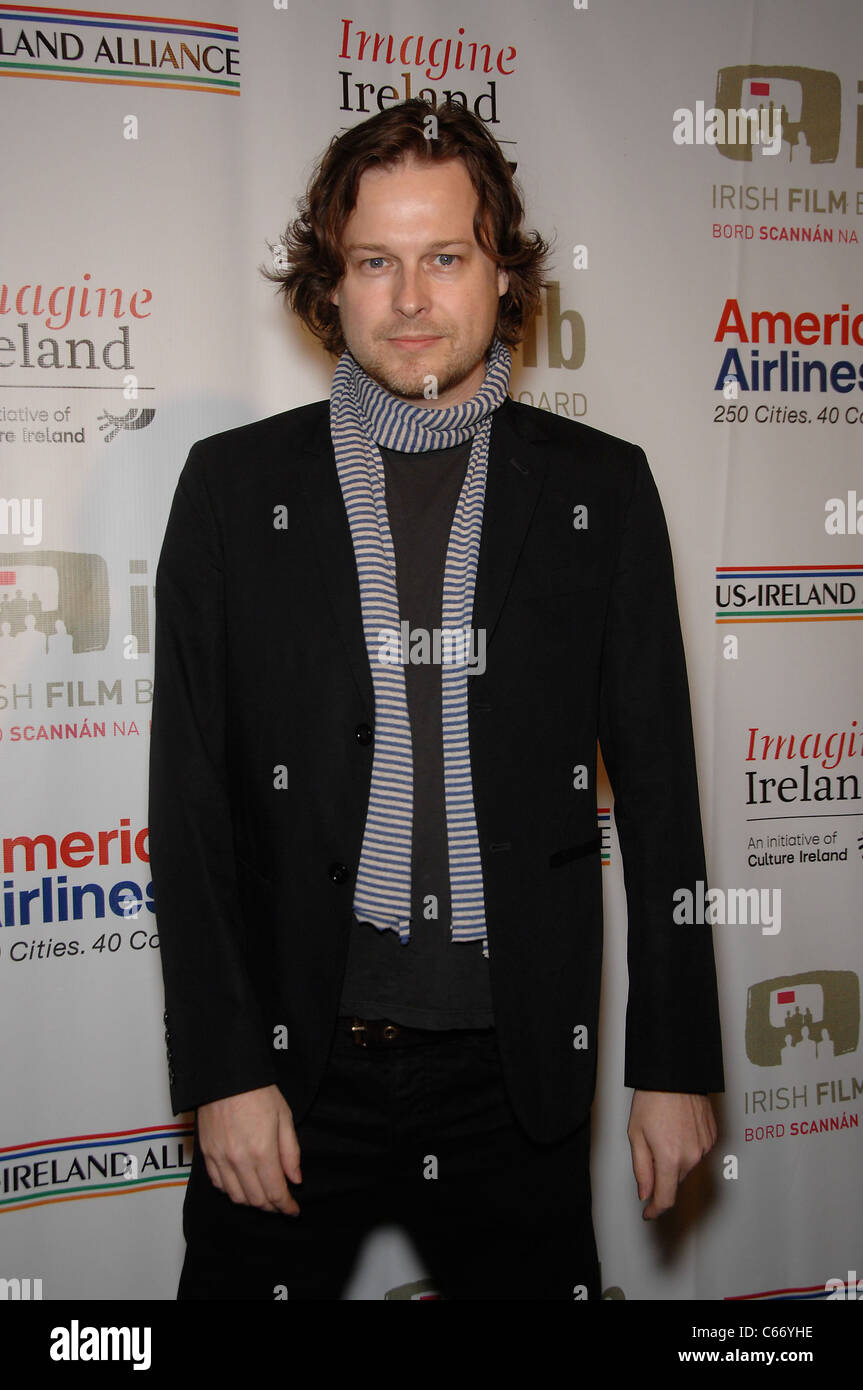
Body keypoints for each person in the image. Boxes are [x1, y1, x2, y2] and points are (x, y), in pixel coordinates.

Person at [149, 97, 723, 1301]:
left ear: (501, 274)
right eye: (375, 262)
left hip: (514, 1074)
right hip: (289, 1071)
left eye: (444, 257)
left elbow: (663, 797)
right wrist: (221, 1069)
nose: (410, 299)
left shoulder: (600, 492)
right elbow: (192, 804)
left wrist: (675, 1062)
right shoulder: (230, 488)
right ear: (333, 282)